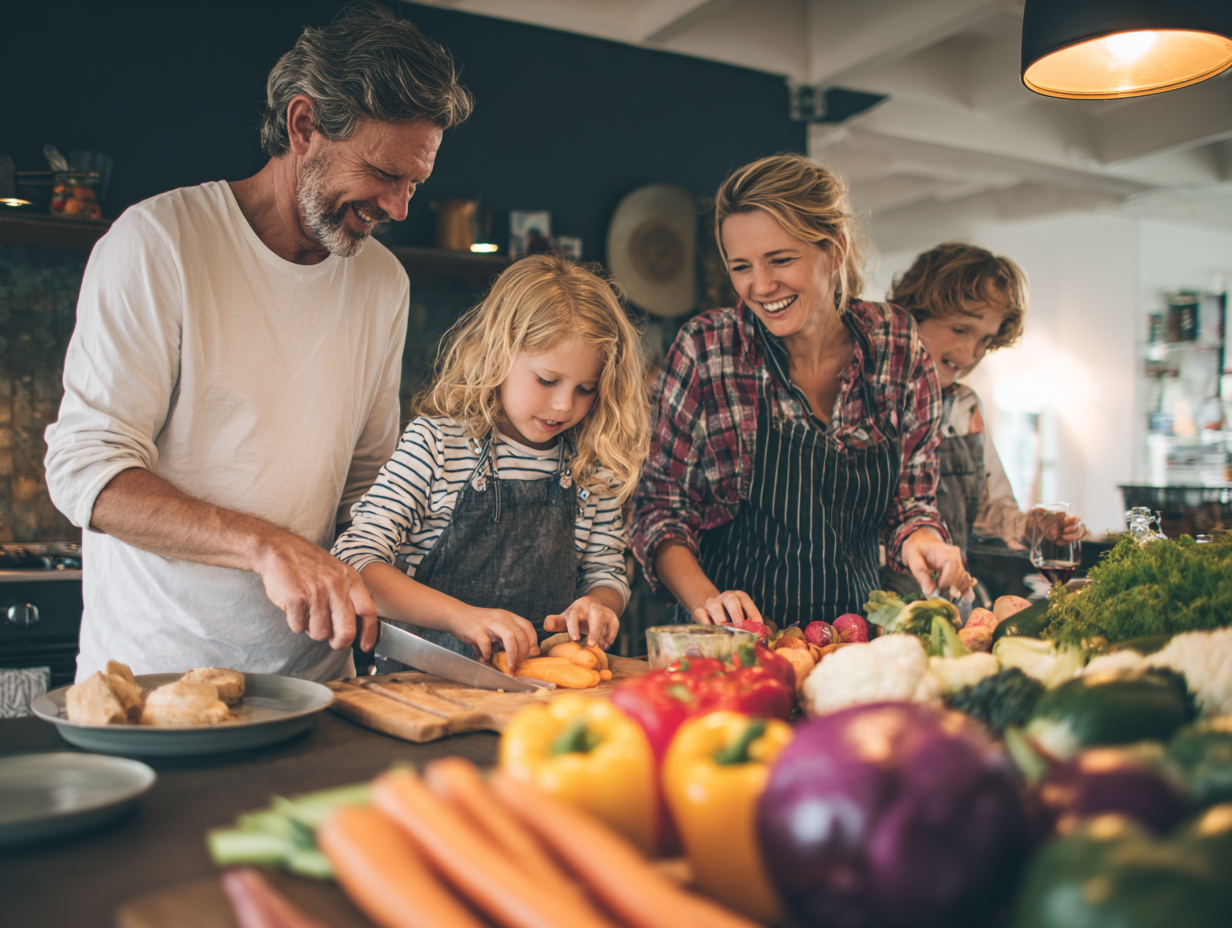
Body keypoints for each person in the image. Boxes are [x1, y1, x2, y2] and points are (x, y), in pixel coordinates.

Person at [43, 3, 474, 681]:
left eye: (414, 183)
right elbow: (85, 473)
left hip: (319, 686)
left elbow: (369, 484)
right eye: (385, 175)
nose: (398, 208)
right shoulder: (160, 243)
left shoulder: (383, 282)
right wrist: (264, 545)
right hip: (159, 680)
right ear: (304, 125)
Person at [632, 154, 972, 629]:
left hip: (851, 636)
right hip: (728, 639)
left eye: (781, 259)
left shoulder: (895, 342)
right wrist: (708, 602)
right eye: (741, 266)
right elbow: (659, 508)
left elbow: (910, 499)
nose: (761, 286)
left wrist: (922, 537)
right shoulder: (708, 350)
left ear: (834, 249)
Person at [331, 255, 650, 670]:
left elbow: (607, 574)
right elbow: (355, 559)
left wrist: (598, 605)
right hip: (421, 687)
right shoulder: (435, 445)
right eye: (547, 380)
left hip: (538, 691)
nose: (563, 404)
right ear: (498, 353)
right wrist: (460, 617)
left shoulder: (592, 466)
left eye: (586, 388)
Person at [886, 242, 1083, 588]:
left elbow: (989, 509)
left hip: (949, 595)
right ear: (912, 316)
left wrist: (1029, 526)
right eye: (960, 329)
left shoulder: (966, 406)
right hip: (873, 602)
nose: (970, 352)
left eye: (985, 340)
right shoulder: (870, 400)